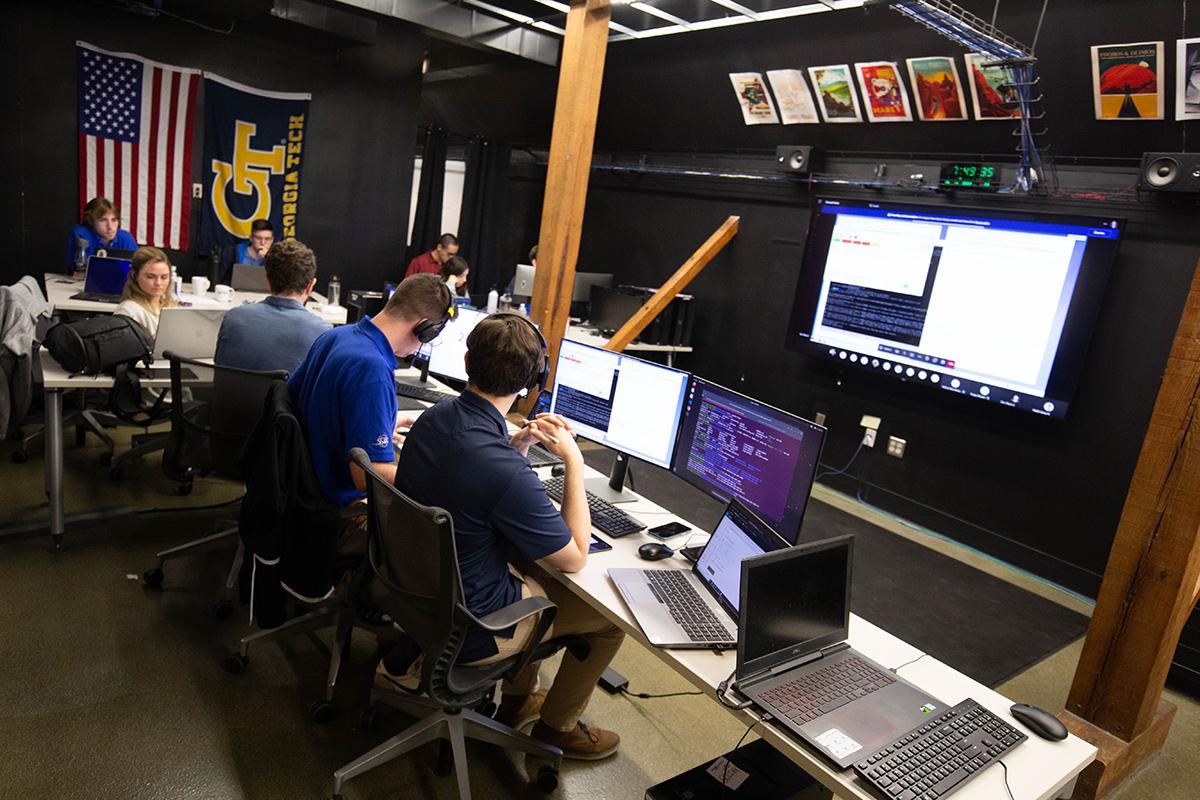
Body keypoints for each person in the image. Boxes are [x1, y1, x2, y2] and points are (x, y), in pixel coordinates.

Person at [392, 313, 623, 760]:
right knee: (607, 620)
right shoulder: (505, 473)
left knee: (536, 571)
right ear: (534, 381)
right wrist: (574, 462)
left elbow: (467, 484)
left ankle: (519, 700)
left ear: (465, 361)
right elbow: (575, 556)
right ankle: (557, 729)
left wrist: (514, 448)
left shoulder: (434, 417)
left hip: (414, 591)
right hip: (472, 627)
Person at [289, 273, 454, 556]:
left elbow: (307, 403)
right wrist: (433, 477)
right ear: (424, 329)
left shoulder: (336, 335)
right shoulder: (372, 369)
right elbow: (366, 476)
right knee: (444, 523)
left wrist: (384, 424)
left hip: (301, 484)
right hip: (336, 505)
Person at [214, 238, 331, 373]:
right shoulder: (323, 333)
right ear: (310, 286)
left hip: (232, 394)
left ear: (268, 281)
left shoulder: (233, 317)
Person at [113, 246, 178, 337]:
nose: (158, 283)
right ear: (135, 276)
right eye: (150, 277)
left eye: (164, 277)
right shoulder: (128, 311)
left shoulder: (171, 306)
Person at [67, 197, 138, 269]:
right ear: (91, 221)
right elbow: (77, 269)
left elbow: (138, 267)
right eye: (103, 220)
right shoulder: (81, 234)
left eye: (114, 220)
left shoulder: (125, 237)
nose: (110, 226)